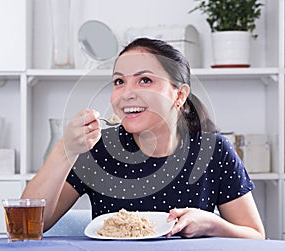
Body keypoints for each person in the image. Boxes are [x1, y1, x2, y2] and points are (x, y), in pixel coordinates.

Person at [21, 37, 265, 239]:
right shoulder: (99, 149)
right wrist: (66, 148)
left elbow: (255, 236)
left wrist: (213, 224)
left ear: (179, 95)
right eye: (119, 81)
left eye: (145, 80)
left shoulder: (213, 151)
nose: (127, 93)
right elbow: (28, 225)